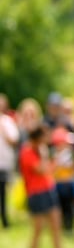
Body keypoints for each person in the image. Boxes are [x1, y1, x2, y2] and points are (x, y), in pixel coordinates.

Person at [19, 125, 63, 248]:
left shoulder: (40, 150)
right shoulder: (27, 152)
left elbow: (49, 170)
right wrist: (47, 157)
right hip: (36, 193)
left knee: (56, 226)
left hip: (48, 189)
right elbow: (42, 170)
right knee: (38, 229)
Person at [50, 126, 74, 235]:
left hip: (68, 185)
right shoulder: (54, 154)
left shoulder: (69, 154)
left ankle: (70, 228)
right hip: (58, 185)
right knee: (60, 208)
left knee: (69, 209)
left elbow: (73, 168)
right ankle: (62, 228)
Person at [0, 93, 19, 228]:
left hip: (4, 163)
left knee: (3, 192)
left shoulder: (8, 121)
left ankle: (5, 220)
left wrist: (3, 130)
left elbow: (14, 141)